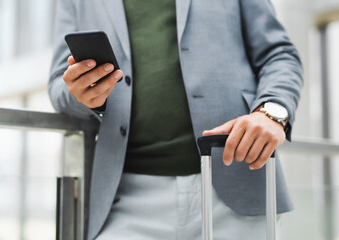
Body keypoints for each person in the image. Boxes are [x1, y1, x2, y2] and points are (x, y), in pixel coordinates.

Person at [48, 0, 303, 239]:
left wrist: (272, 113)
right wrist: (85, 94)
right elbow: (60, 86)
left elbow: (278, 54)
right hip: (125, 201)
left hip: (238, 185)